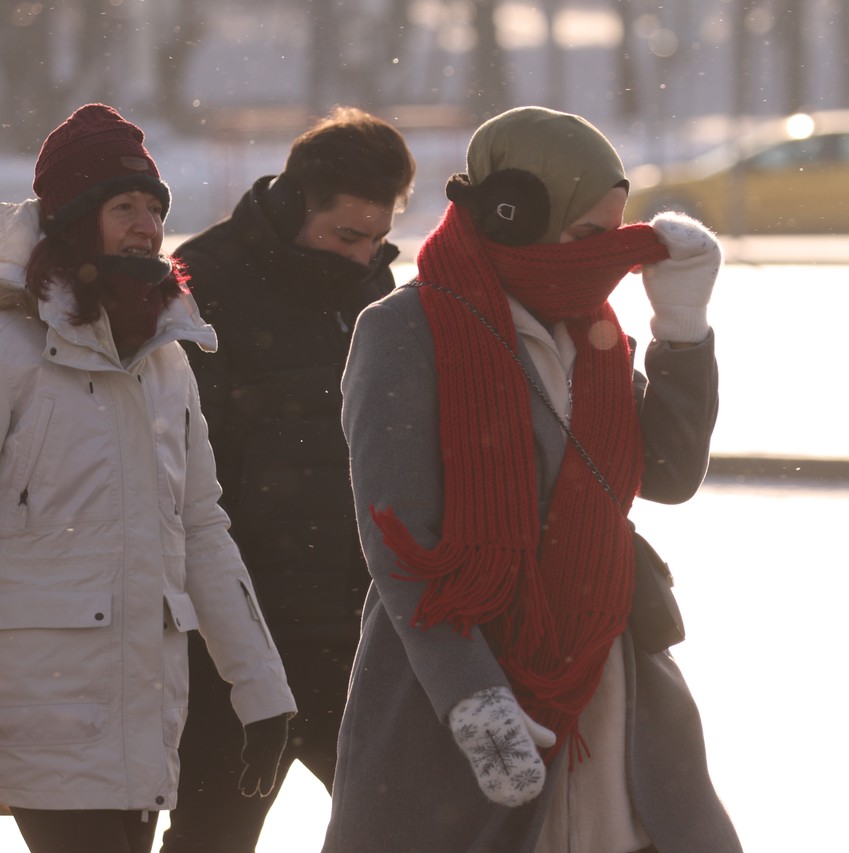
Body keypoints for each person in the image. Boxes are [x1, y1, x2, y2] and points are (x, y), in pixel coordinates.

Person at [323, 106, 742, 852]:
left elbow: (670, 474)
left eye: (615, 236)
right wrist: (472, 698)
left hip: (607, 672)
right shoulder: (405, 329)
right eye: (587, 236)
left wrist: (683, 328)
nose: (606, 257)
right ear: (514, 214)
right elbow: (398, 538)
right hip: (465, 677)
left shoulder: (595, 332)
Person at [0, 104, 296, 853]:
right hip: (39, 717)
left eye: (155, 208)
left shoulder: (165, 355)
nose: (146, 225)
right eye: (123, 206)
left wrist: (260, 691)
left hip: (142, 713)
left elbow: (200, 526)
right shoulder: (11, 346)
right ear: (72, 220)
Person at [159, 106, 415, 852]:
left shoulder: (377, 287)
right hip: (237, 644)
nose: (363, 253)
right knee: (213, 834)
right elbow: (179, 478)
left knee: (406, 828)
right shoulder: (201, 283)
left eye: (378, 237)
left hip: (357, 632)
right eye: (346, 235)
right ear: (299, 200)